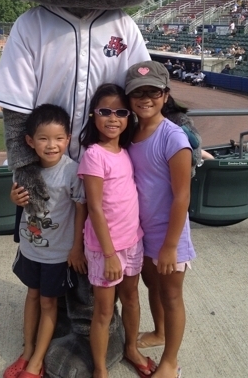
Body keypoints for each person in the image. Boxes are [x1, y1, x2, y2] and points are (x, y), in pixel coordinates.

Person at [77, 83, 156, 378]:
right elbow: (94, 207)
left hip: (132, 242)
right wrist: (109, 254)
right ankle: (100, 369)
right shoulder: (94, 155)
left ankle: (131, 348)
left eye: (120, 112)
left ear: (129, 117)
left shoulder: (126, 151)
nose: (113, 118)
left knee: (132, 298)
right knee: (104, 311)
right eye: (105, 111)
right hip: (104, 249)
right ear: (93, 115)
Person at [3, 104, 87, 378]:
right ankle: (27, 350)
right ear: (30, 141)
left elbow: (80, 211)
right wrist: (13, 199)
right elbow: (16, 197)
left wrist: (76, 248)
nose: (51, 145)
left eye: (59, 138)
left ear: (68, 138)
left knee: (49, 303)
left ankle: (37, 361)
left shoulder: (72, 172)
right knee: (32, 295)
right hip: (29, 249)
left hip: (57, 255)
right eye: (43, 138)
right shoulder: (24, 169)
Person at [125, 61, 196, 378]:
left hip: (170, 236)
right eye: (138, 93)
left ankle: (170, 362)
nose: (145, 99)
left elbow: (182, 196)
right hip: (143, 233)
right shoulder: (132, 133)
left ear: (165, 96)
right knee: (152, 286)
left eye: (152, 92)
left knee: (171, 295)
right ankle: (159, 332)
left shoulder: (173, 136)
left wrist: (170, 246)